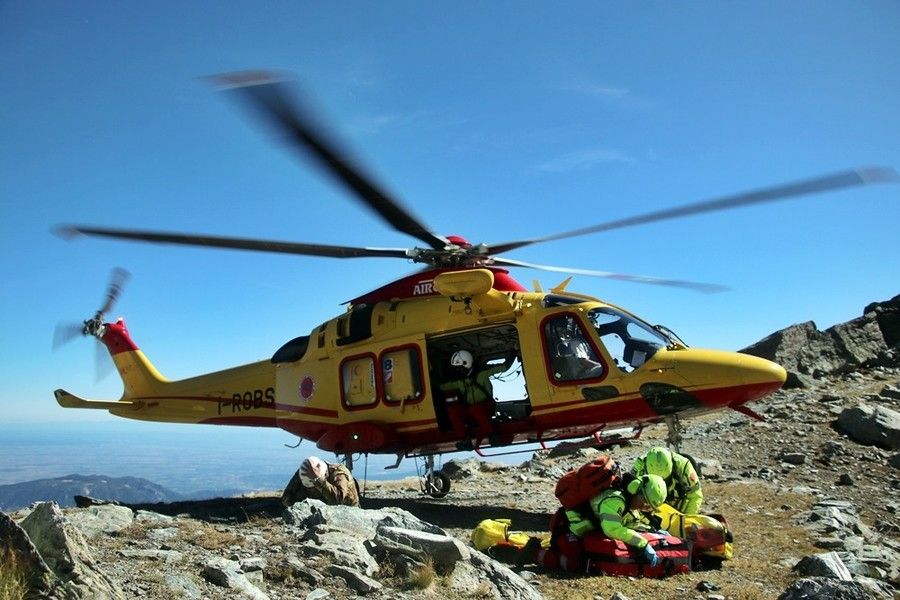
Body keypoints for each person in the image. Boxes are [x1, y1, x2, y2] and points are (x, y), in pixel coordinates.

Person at [527, 473, 668, 572]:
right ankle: (534, 552)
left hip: (584, 531)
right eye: (644, 503)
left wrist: (651, 530)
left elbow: (628, 524)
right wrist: (642, 543)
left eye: (647, 507)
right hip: (567, 528)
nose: (642, 508)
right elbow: (612, 529)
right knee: (574, 564)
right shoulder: (615, 500)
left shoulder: (626, 500)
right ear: (636, 490)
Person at [439, 349, 515, 437]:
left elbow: (504, 367)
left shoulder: (483, 372)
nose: (458, 371)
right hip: (471, 409)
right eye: (456, 368)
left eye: (460, 368)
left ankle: (492, 435)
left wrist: (514, 350)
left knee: (475, 409)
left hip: (486, 406)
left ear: (467, 363)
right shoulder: (459, 380)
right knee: (453, 410)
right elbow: (442, 386)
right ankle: (464, 438)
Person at [631, 446, 703, 515]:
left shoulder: (683, 466)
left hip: (676, 503)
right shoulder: (639, 467)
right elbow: (632, 496)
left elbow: (695, 495)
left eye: (665, 480)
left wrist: (686, 518)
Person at [280, 456, 359, 507]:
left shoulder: (339, 473)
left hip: (348, 513)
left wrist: (319, 481)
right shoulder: (305, 472)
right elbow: (287, 497)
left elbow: (339, 501)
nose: (312, 489)